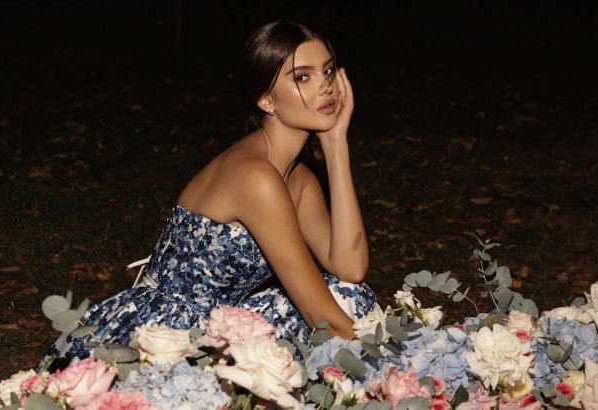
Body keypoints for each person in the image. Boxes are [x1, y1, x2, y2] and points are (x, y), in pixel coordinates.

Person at [41, 21, 378, 367]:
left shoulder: (299, 178)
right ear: (266, 99)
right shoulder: (255, 177)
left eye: (328, 71)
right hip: (165, 334)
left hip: (222, 323)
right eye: (303, 77)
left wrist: (336, 145)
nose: (325, 86)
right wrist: (385, 363)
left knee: (350, 294)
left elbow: (350, 269)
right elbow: (321, 317)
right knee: (341, 320)